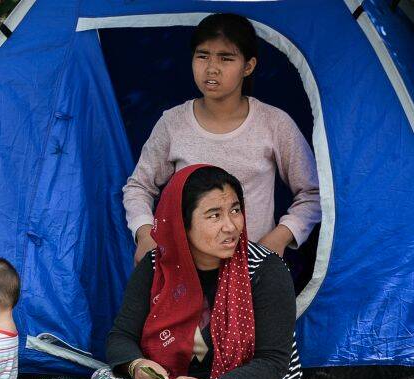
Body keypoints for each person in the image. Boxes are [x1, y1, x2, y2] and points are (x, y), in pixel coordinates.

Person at [91, 165, 305, 379]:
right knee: (105, 376)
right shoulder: (156, 267)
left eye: (235, 210)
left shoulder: (265, 271)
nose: (231, 226)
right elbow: (121, 336)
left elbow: (272, 363)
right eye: (214, 215)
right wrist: (138, 367)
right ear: (181, 223)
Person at [124, 13, 321, 265]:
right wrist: (144, 234)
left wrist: (280, 237)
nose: (211, 68)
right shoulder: (173, 123)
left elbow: (312, 193)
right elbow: (139, 187)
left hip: (254, 266)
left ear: (248, 66)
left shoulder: (274, 123)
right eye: (202, 55)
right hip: (185, 267)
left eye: (226, 58)